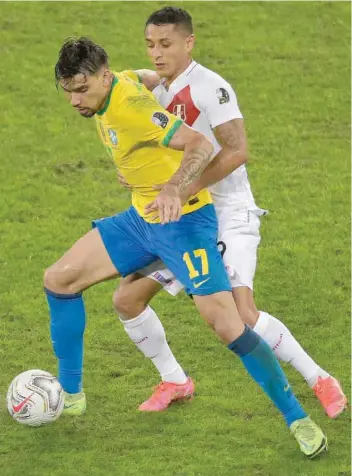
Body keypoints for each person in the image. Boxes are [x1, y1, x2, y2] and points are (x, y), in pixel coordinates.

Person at [48, 36, 326, 459]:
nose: (74, 101)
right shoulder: (117, 84)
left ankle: (298, 419)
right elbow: (139, 75)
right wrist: (154, 76)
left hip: (185, 223)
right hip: (143, 219)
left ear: (103, 77)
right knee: (60, 279)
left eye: (82, 89)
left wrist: (175, 187)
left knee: (229, 326)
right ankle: (69, 394)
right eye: (68, 90)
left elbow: (201, 143)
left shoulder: (133, 110)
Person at [112, 6, 347, 423]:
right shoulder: (154, 90)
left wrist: (182, 190)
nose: (156, 54)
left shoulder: (210, 88)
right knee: (128, 298)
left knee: (243, 314)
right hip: (182, 216)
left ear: (189, 42)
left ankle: (320, 379)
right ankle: (175, 381)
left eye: (166, 45)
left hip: (226, 213)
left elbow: (237, 151)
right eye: (150, 45)